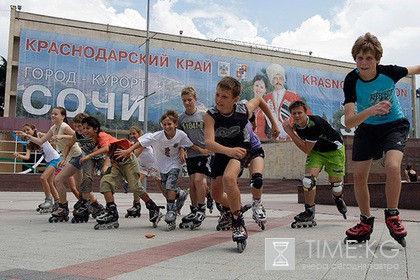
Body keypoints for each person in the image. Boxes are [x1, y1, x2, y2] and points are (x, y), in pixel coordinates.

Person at [343, 32, 420, 247]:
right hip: (367, 128)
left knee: (394, 167)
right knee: (358, 176)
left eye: (369, 58)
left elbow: (416, 69)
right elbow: (349, 121)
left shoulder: (390, 73)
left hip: (394, 125)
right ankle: (365, 222)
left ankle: (393, 215)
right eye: (360, 58)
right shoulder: (351, 80)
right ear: (355, 59)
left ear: (377, 59)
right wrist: (371, 110)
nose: (364, 63)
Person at [204, 76, 280, 249]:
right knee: (215, 194)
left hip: (239, 149)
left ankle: (238, 223)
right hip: (221, 151)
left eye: (224, 97)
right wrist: (226, 150)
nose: (218, 100)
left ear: (235, 99)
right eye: (217, 95)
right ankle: (236, 206)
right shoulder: (211, 115)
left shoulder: (243, 109)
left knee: (229, 178)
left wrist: (274, 123)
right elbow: (208, 142)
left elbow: (260, 100)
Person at [116, 110, 198, 231]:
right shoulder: (156, 136)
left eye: (169, 124)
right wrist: (128, 153)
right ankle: (178, 194)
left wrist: (202, 151)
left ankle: (171, 210)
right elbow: (138, 148)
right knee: (152, 188)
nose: (166, 127)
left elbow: (189, 145)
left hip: (164, 165)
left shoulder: (177, 135)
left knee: (168, 187)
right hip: (152, 166)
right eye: (164, 124)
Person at [79, 116, 163, 229]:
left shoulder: (101, 136)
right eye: (83, 128)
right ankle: (111, 212)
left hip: (128, 161)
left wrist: (88, 156)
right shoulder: (94, 140)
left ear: (95, 129)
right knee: (105, 182)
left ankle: (153, 208)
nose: (84, 131)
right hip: (117, 163)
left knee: (135, 187)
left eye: (87, 128)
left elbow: (105, 149)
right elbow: (110, 152)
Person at [282, 100, 347, 228]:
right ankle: (309, 211)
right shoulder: (296, 126)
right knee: (308, 180)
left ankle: (338, 198)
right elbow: (309, 148)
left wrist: (290, 133)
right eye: (294, 113)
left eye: (300, 112)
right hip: (316, 152)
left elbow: (306, 148)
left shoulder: (314, 123)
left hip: (334, 151)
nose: (296, 116)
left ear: (306, 112)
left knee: (336, 186)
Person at [16, 107, 83, 223]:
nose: (53, 115)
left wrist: (62, 137)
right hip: (69, 159)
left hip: (77, 157)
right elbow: (41, 141)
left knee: (76, 186)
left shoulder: (64, 126)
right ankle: (63, 206)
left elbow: (78, 137)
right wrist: (26, 136)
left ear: (63, 116)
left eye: (55, 114)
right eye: (52, 114)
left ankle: (90, 205)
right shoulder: (53, 128)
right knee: (62, 182)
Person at [60, 113, 106, 223]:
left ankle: (107, 205)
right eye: (75, 126)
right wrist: (63, 158)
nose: (80, 129)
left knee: (106, 179)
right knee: (86, 179)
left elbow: (106, 147)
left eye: (81, 126)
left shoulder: (97, 134)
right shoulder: (77, 134)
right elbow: (69, 145)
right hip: (87, 157)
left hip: (101, 156)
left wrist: (104, 165)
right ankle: (86, 203)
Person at [178, 86, 212, 230]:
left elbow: (212, 132)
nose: (187, 103)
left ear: (195, 100)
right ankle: (194, 209)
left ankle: (201, 208)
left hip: (204, 153)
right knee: (192, 184)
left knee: (199, 180)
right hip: (191, 154)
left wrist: (210, 147)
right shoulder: (181, 118)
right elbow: (180, 137)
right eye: (184, 100)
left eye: (189, 100)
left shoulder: (203, 115)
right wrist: (181, 150)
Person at [13, 123, 61, 213]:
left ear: (34, 129)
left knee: (43, 178)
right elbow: (27, 157)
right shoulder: (29, 143)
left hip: (55, 159)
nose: (26, 132)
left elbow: (52, 138)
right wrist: (19, 155)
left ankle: (48, 200)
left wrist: (54, 143)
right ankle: (58, 202)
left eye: (28, 130)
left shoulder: (40, 135)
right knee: (50, 183)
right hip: (48, 161)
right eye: (24, 131)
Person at [125, 126, 165, 218]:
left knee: (162, 188)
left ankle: (172, 204)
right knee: (136, 183)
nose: (132, 135)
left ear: (140, 134)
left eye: (134, 133)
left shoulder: (144, 143)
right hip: (143, 167)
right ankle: (136, 205)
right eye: (130, 134)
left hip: (153, 166)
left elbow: (135, 155)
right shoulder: (132, 144)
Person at [263, 63, 311, 140]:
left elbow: (306, 114)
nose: (278, 81)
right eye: (275, 78)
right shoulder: (267, 97)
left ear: (284, 80)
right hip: (274, 136)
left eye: (280, 78)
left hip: (290, 137)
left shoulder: (293, 95)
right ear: (271, 81)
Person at [251, 74, 270, 139]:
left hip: (263, 142)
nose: (258, 89)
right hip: (247, 141)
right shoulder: (245, 104)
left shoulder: (268, 108)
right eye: (257, 85)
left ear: (265, 90)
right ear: (253, 86)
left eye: (261, 87)